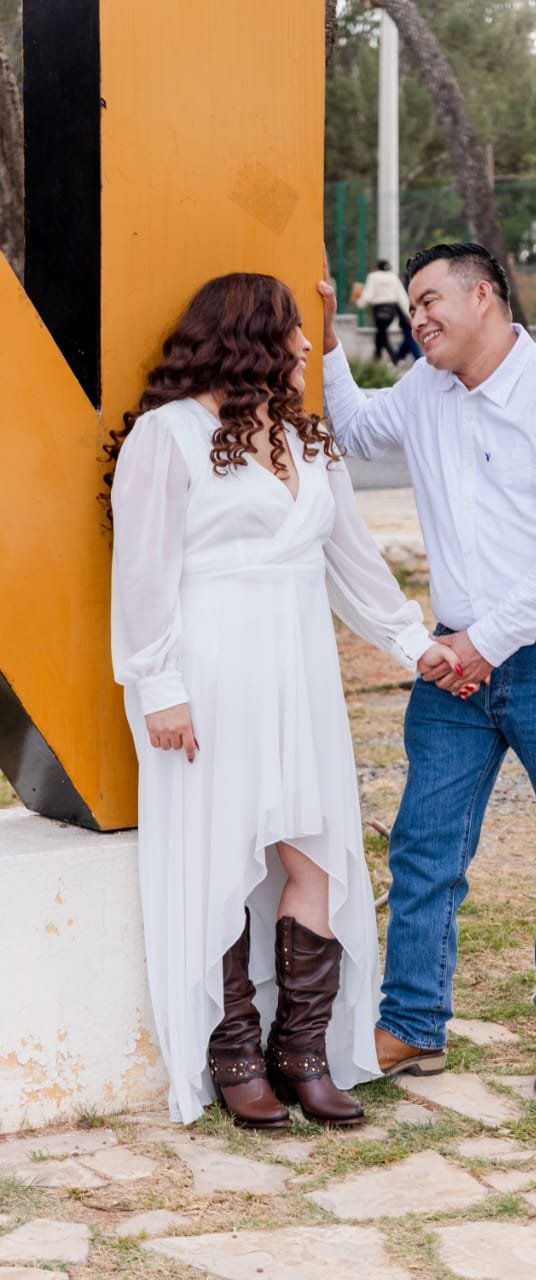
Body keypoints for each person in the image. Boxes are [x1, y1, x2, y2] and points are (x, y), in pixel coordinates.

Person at [108, 272, 459, 1129]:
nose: (307, 345)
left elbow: (354, 562)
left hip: (301, 677)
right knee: (222, 861)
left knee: (318, 861)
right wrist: (159, 686)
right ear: (249, 341)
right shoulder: (169, 435)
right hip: (208, 677)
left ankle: (301, 1052)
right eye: (293, 331)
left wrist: (415, 645)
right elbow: (143, 574)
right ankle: (233, 1053)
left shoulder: (309, 440)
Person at [318, 242, 536, 1094]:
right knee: (424, 844)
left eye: (430, 300)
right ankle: (411, 1024)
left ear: (483, 296)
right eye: (411, 304)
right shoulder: (425, 390)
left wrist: (485, 642)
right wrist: (325, 339)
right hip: (458, 662)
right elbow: (353, 428)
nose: (416, 317)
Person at [356, 259, 410, 363]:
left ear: (377, 267)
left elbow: (368, 294)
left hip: (379, 309)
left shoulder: (373, 276)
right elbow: (402, 297)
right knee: (381, 333)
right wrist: (408, 314)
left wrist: (360, 303)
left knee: (381, 333)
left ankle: (389, 357)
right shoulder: (393, 277)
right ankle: (379, 356)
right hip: (391, 310)